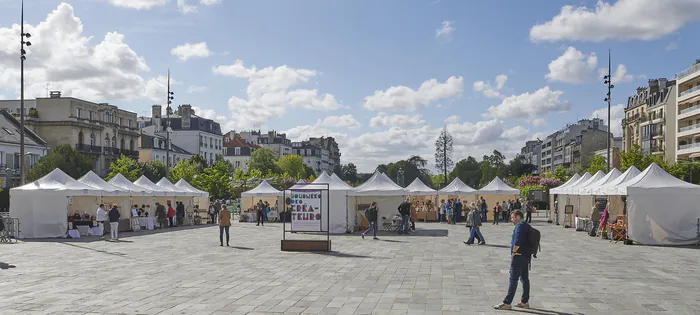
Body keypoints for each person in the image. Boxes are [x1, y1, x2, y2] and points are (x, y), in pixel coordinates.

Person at [494, 210, 531, 310]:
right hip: (525, 256)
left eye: (512, 217)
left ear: (518, 216)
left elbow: (517, 241)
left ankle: (507, 303)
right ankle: (524, 301)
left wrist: (513, 253)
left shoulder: (520, 226)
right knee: (524, 279)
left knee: (513, 280)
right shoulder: (526, 225)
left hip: (518, 256)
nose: (511, 219)